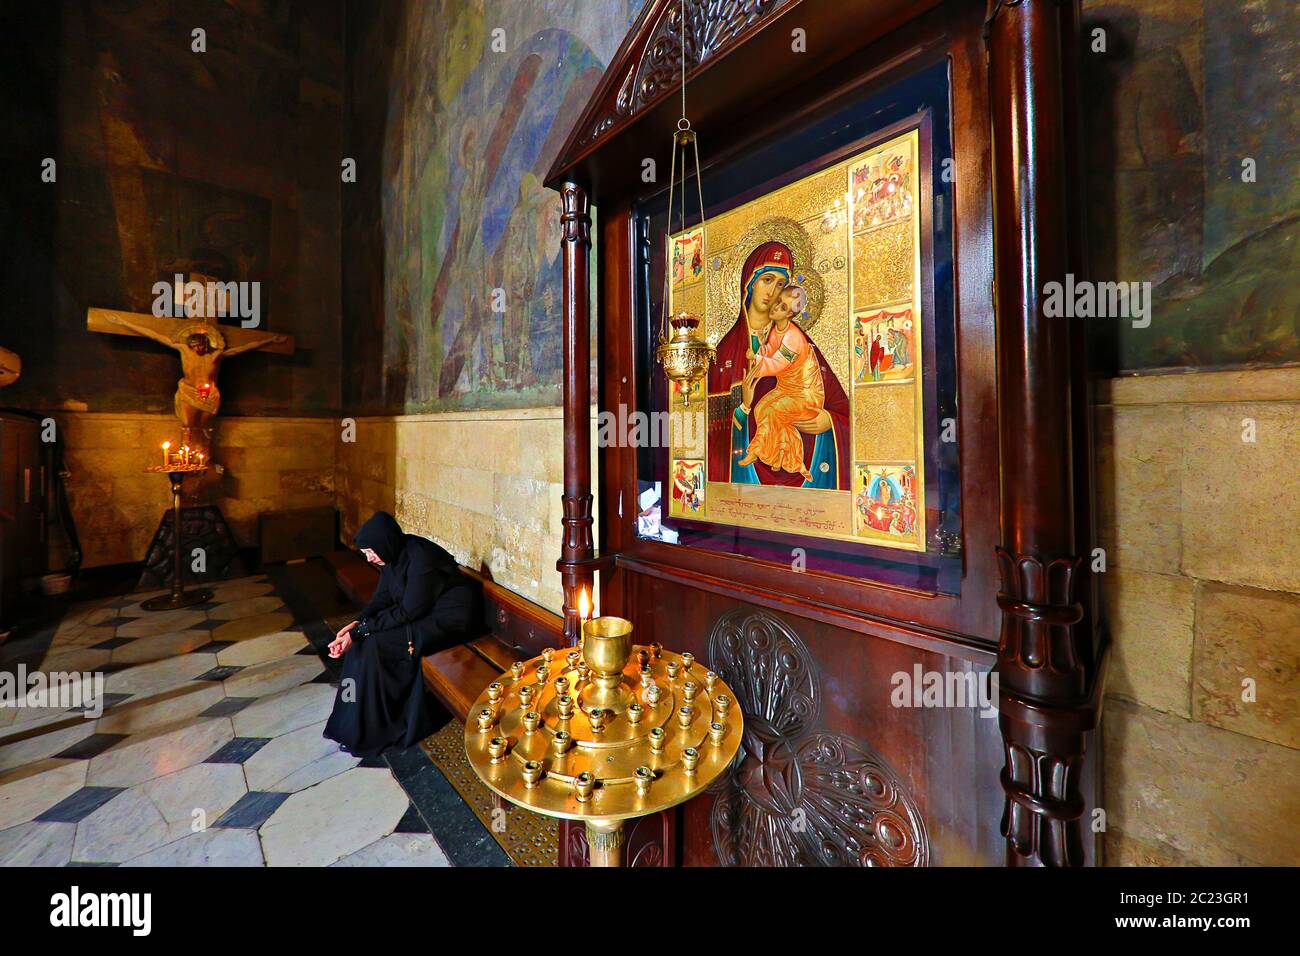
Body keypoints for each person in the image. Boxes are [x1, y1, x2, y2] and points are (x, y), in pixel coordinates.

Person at [323, 511, 480, 757]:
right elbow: (383, 597)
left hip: (448, 621)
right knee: (363, 646)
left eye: (370, 551)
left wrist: (363, 631)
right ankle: (351, 722)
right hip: (423, 615)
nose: (370, 558)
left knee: (375, 645)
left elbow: (408, 610)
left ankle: (381, 726)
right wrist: (357, 625)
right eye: (366, 554)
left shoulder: (421, 558)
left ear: (383, 541)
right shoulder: (393, 554)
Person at [706, 241, 850, 489]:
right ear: (749, 283)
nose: (773, 291)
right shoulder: (726, 351)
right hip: (744, 479)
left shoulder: (798, 341)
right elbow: (710, 430)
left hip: (806, 479)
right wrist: (745, 406)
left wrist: (829, 420)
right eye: (767, 280)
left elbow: (842, 408)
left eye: (781, 284)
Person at [736, 285, 823, 482]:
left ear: (790, 314)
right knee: (761, 409)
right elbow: (770, 351)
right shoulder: (778, 330)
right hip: (787, 390)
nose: (775, 308)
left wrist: (756, 359)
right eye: (777, 302)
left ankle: (756, 451)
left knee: (772, 411)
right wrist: (759, 351)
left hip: (805, 395)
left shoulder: (793, 338)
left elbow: (778, 364)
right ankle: (784, 457)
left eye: (782, 307)